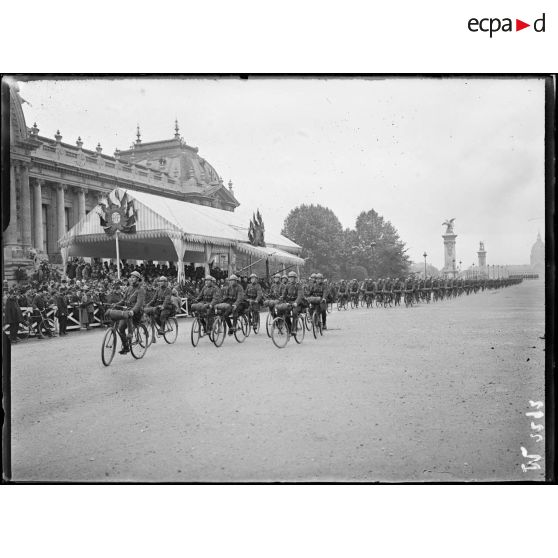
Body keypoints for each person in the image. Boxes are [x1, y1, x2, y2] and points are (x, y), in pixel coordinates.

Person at [115, 271, 146, 354]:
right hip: (127, 311)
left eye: (134, 277)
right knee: (121, 328)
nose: (131, 279)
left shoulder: (141, 289)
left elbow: (139, 303)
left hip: (136, 312)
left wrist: (133, 310)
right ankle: (126, 347)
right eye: (131, 277)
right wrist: (116, 305)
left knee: (130, 327)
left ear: (138, 279)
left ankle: (130, 334)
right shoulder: (128, 288)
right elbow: (123, 300)